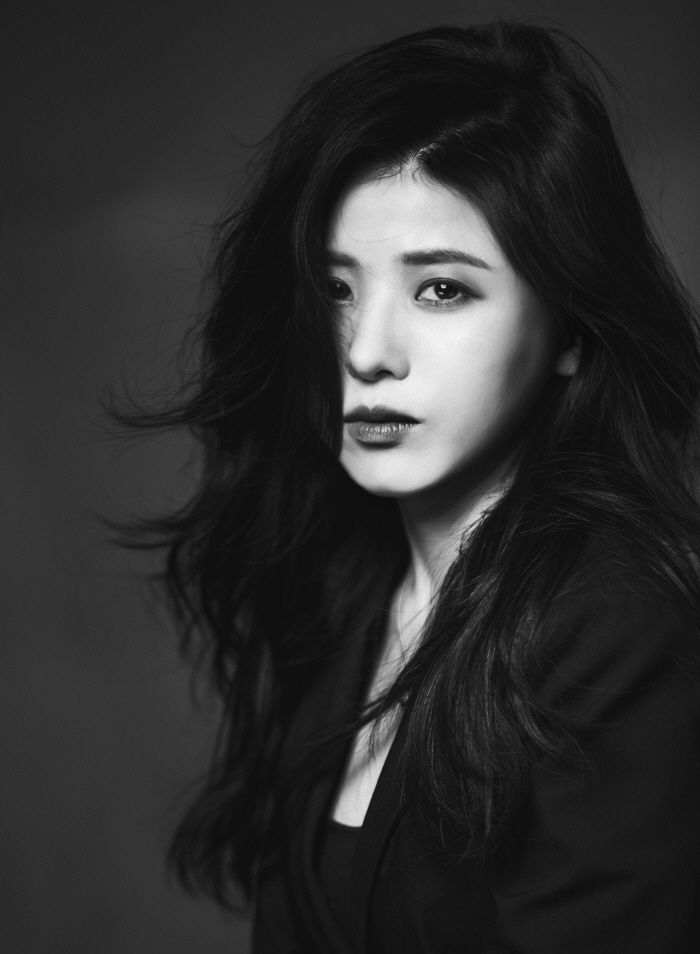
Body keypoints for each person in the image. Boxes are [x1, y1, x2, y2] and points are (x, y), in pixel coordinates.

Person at [128, 19, 700, 952]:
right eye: (337, 289)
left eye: (441, 289)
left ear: (569, 330)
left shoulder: (623, 626)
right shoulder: (343, 593)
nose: (367, 351)